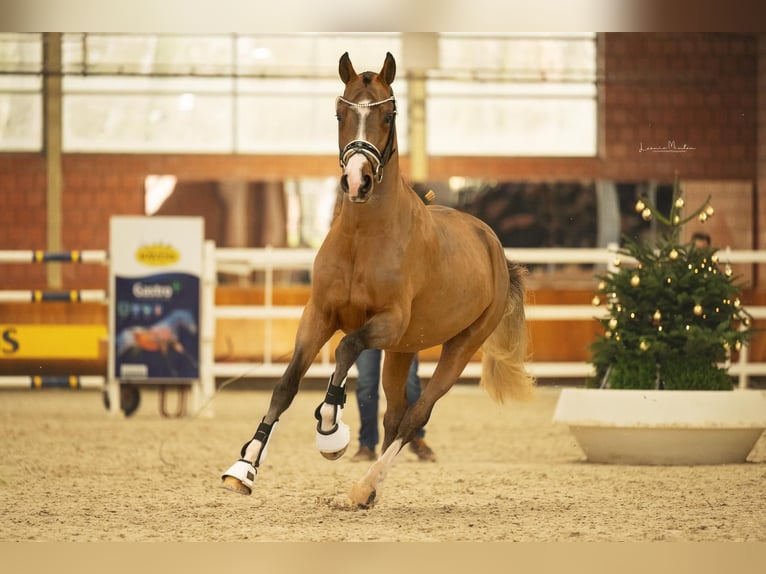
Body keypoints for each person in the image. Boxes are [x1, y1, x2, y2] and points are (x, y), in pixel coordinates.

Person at [351, 349, 436, 462]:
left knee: (411, 383)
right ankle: (367, 443)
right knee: (366, 384)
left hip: (401, 332)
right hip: (366, 331)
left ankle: (415, 436)